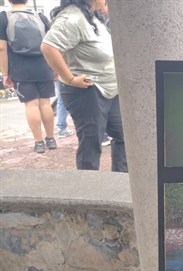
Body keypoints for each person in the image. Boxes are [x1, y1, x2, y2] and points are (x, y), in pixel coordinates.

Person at [41, 0, 127, 172]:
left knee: (124, 136)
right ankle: (88, 192)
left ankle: (120, 182)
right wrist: (70, 78)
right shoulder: (72, 17)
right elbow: (48, 47)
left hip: (109, 90)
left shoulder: (89, 16)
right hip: (88, 92)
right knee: (91, 144)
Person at [0, 0, 57, 154]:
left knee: (31, 105)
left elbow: (1, 47)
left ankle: (39, 143)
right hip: (43, 66)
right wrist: (55, 68)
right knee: (45, 103)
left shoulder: (4, 16)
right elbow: (52, 43)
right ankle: (51, 139)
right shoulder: (40, 16)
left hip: (21, 68)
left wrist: (5, 73)